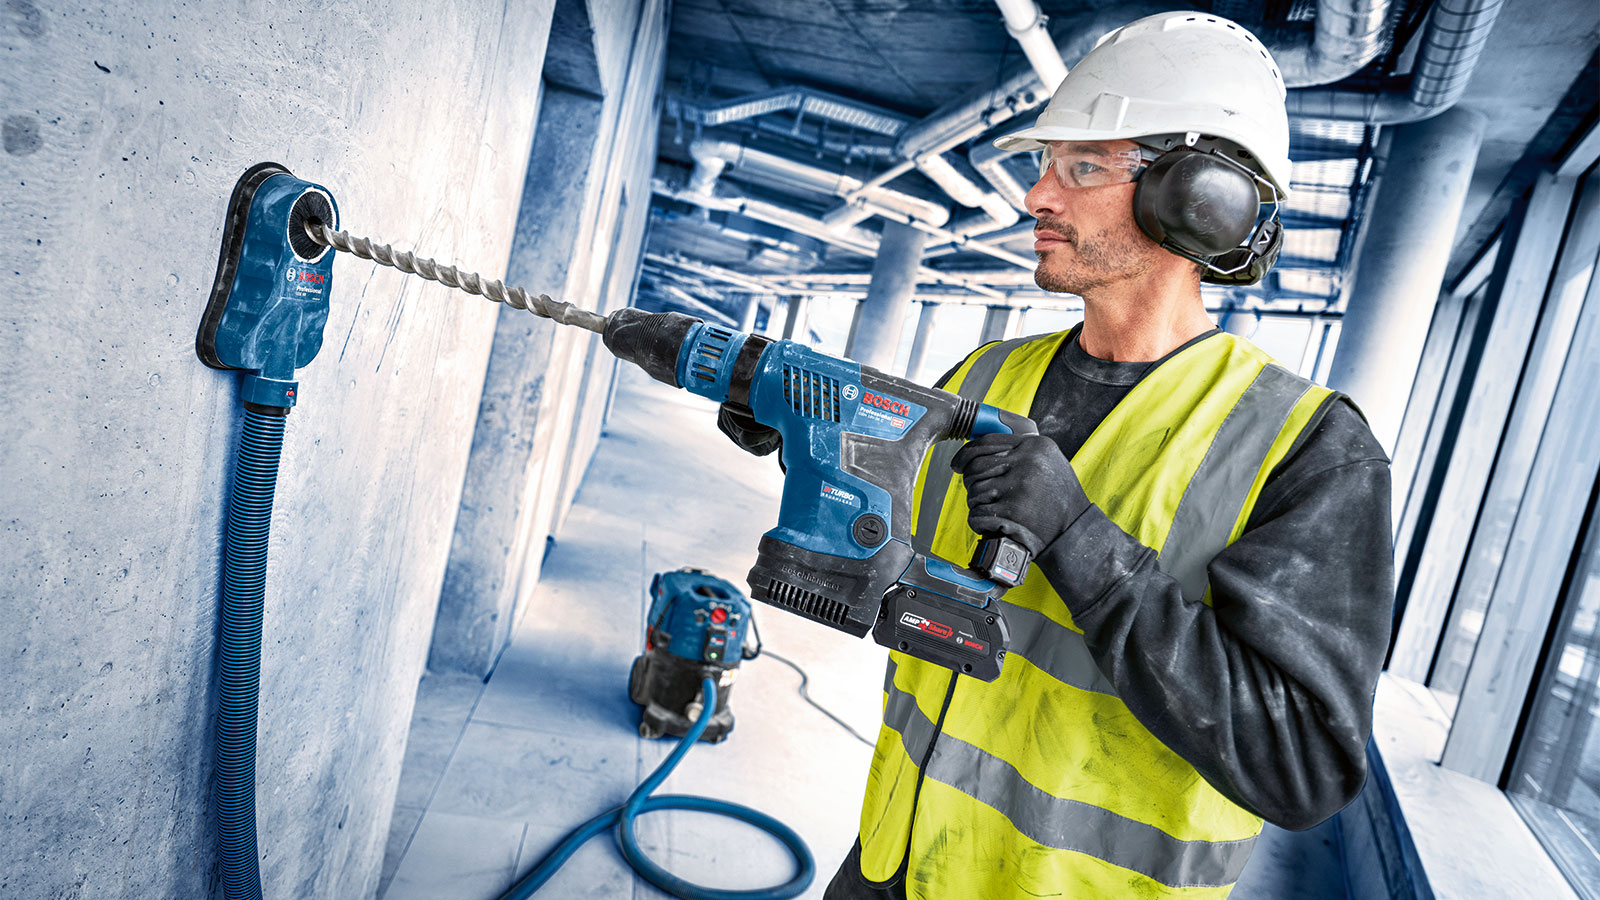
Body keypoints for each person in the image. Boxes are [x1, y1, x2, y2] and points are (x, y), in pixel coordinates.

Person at [720, 11, 1393, 899]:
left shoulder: (1308, 449)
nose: (1036, 196)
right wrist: (814, 439)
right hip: (895, 861)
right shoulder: (989, 372)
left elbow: (1300, 767)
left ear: (1201, 199)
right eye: (1046, 166)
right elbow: (896, 523)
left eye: (1080, 168)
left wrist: (1082, 542)